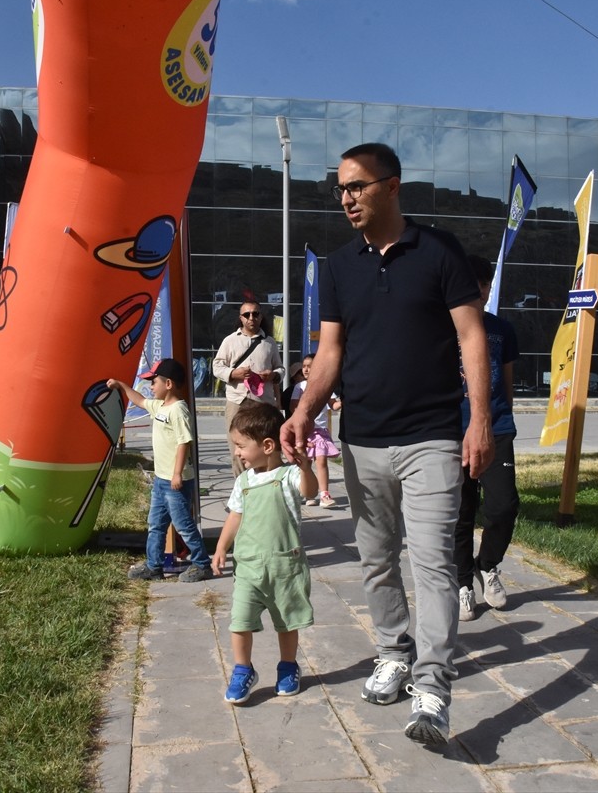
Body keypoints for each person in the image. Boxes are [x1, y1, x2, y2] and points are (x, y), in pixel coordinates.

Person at [280, 142, 494, 747]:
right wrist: (302, 412)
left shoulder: (439, 251)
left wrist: (478, 420)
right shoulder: (339, 267)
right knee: (375, 561)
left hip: (431, 437)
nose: (346, 198)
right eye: (340, 189)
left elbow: (471, 337)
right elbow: (330, 354)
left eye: (357, 186)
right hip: (363, 441)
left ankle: (432, 686)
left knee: (431, 563)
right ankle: (393, 653)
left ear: (392, 186)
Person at [212, 402, 317, 704]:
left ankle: (288, 666)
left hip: (285, 566)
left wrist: (306, 467)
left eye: (241, 446)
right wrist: (221, 548)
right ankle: (243, 669)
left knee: (287, 622)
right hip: (248, 568)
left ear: (268, 445)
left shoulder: (287, 477)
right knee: (239, 621)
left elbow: (308, 491)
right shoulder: (243, 482)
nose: (237, 453)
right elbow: (235, 515)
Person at [455, 256, 520, 622]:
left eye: (485, 283)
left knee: (503, 505)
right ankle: (463, 582)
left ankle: (488, 564)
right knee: (461, 513)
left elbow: (507, 383)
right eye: (475, 282)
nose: (481, 290)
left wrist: (502, 419)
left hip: (497, 428)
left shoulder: (502, 329)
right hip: (453, 432)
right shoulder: (442, 327)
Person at [107, 358, 213, 582]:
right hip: (160, 481)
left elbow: (184, 442)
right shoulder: (159, 406)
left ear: (169, 384)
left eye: (154, 382)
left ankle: (202, 564)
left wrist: (177, 473)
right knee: (155, 525)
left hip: (176, 483)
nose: (151, 386)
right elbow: (140, 400)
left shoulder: (178, 410)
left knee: (183, 525)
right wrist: (121, 386)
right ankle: (153, 566)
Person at [212, 302, 284, 477]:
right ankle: (241, 487)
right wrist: (233, 373)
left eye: (255, 314)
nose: (251, 318)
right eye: (247, 315)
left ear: (260, 316)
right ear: (241, 318)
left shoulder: (269, 342)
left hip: (262, 402)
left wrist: (272, 375)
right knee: (237, 445)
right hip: (237, 400)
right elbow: (216, 367)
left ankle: (266, 482)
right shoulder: (230, 340)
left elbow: (281, 369)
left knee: (265, 444)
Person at [289, 353, 342, 507]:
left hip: (320, 431)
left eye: (309, 366)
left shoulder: (325, 386)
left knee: (322, 461)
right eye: (304, 366)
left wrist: (345, 401)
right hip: (305, 431)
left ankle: (324, 494)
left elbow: (334, 405)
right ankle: (308, 493)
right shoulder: (300, 387)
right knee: (306, 463)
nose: (305, 369)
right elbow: (293, 406)